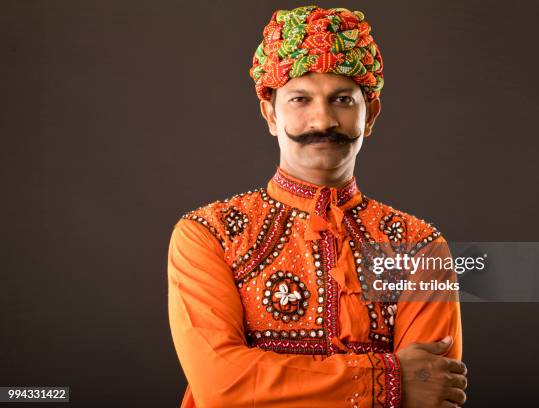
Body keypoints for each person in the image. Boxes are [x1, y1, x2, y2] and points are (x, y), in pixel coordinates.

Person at [168, 5, 467, 407]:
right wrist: (388, 380)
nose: (322, 119)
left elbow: (432, 391)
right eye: (300, 99)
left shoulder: (420, 248)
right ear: (270, 113)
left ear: (371, 115)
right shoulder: (209, 234)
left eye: (342, 99)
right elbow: (222, 385)